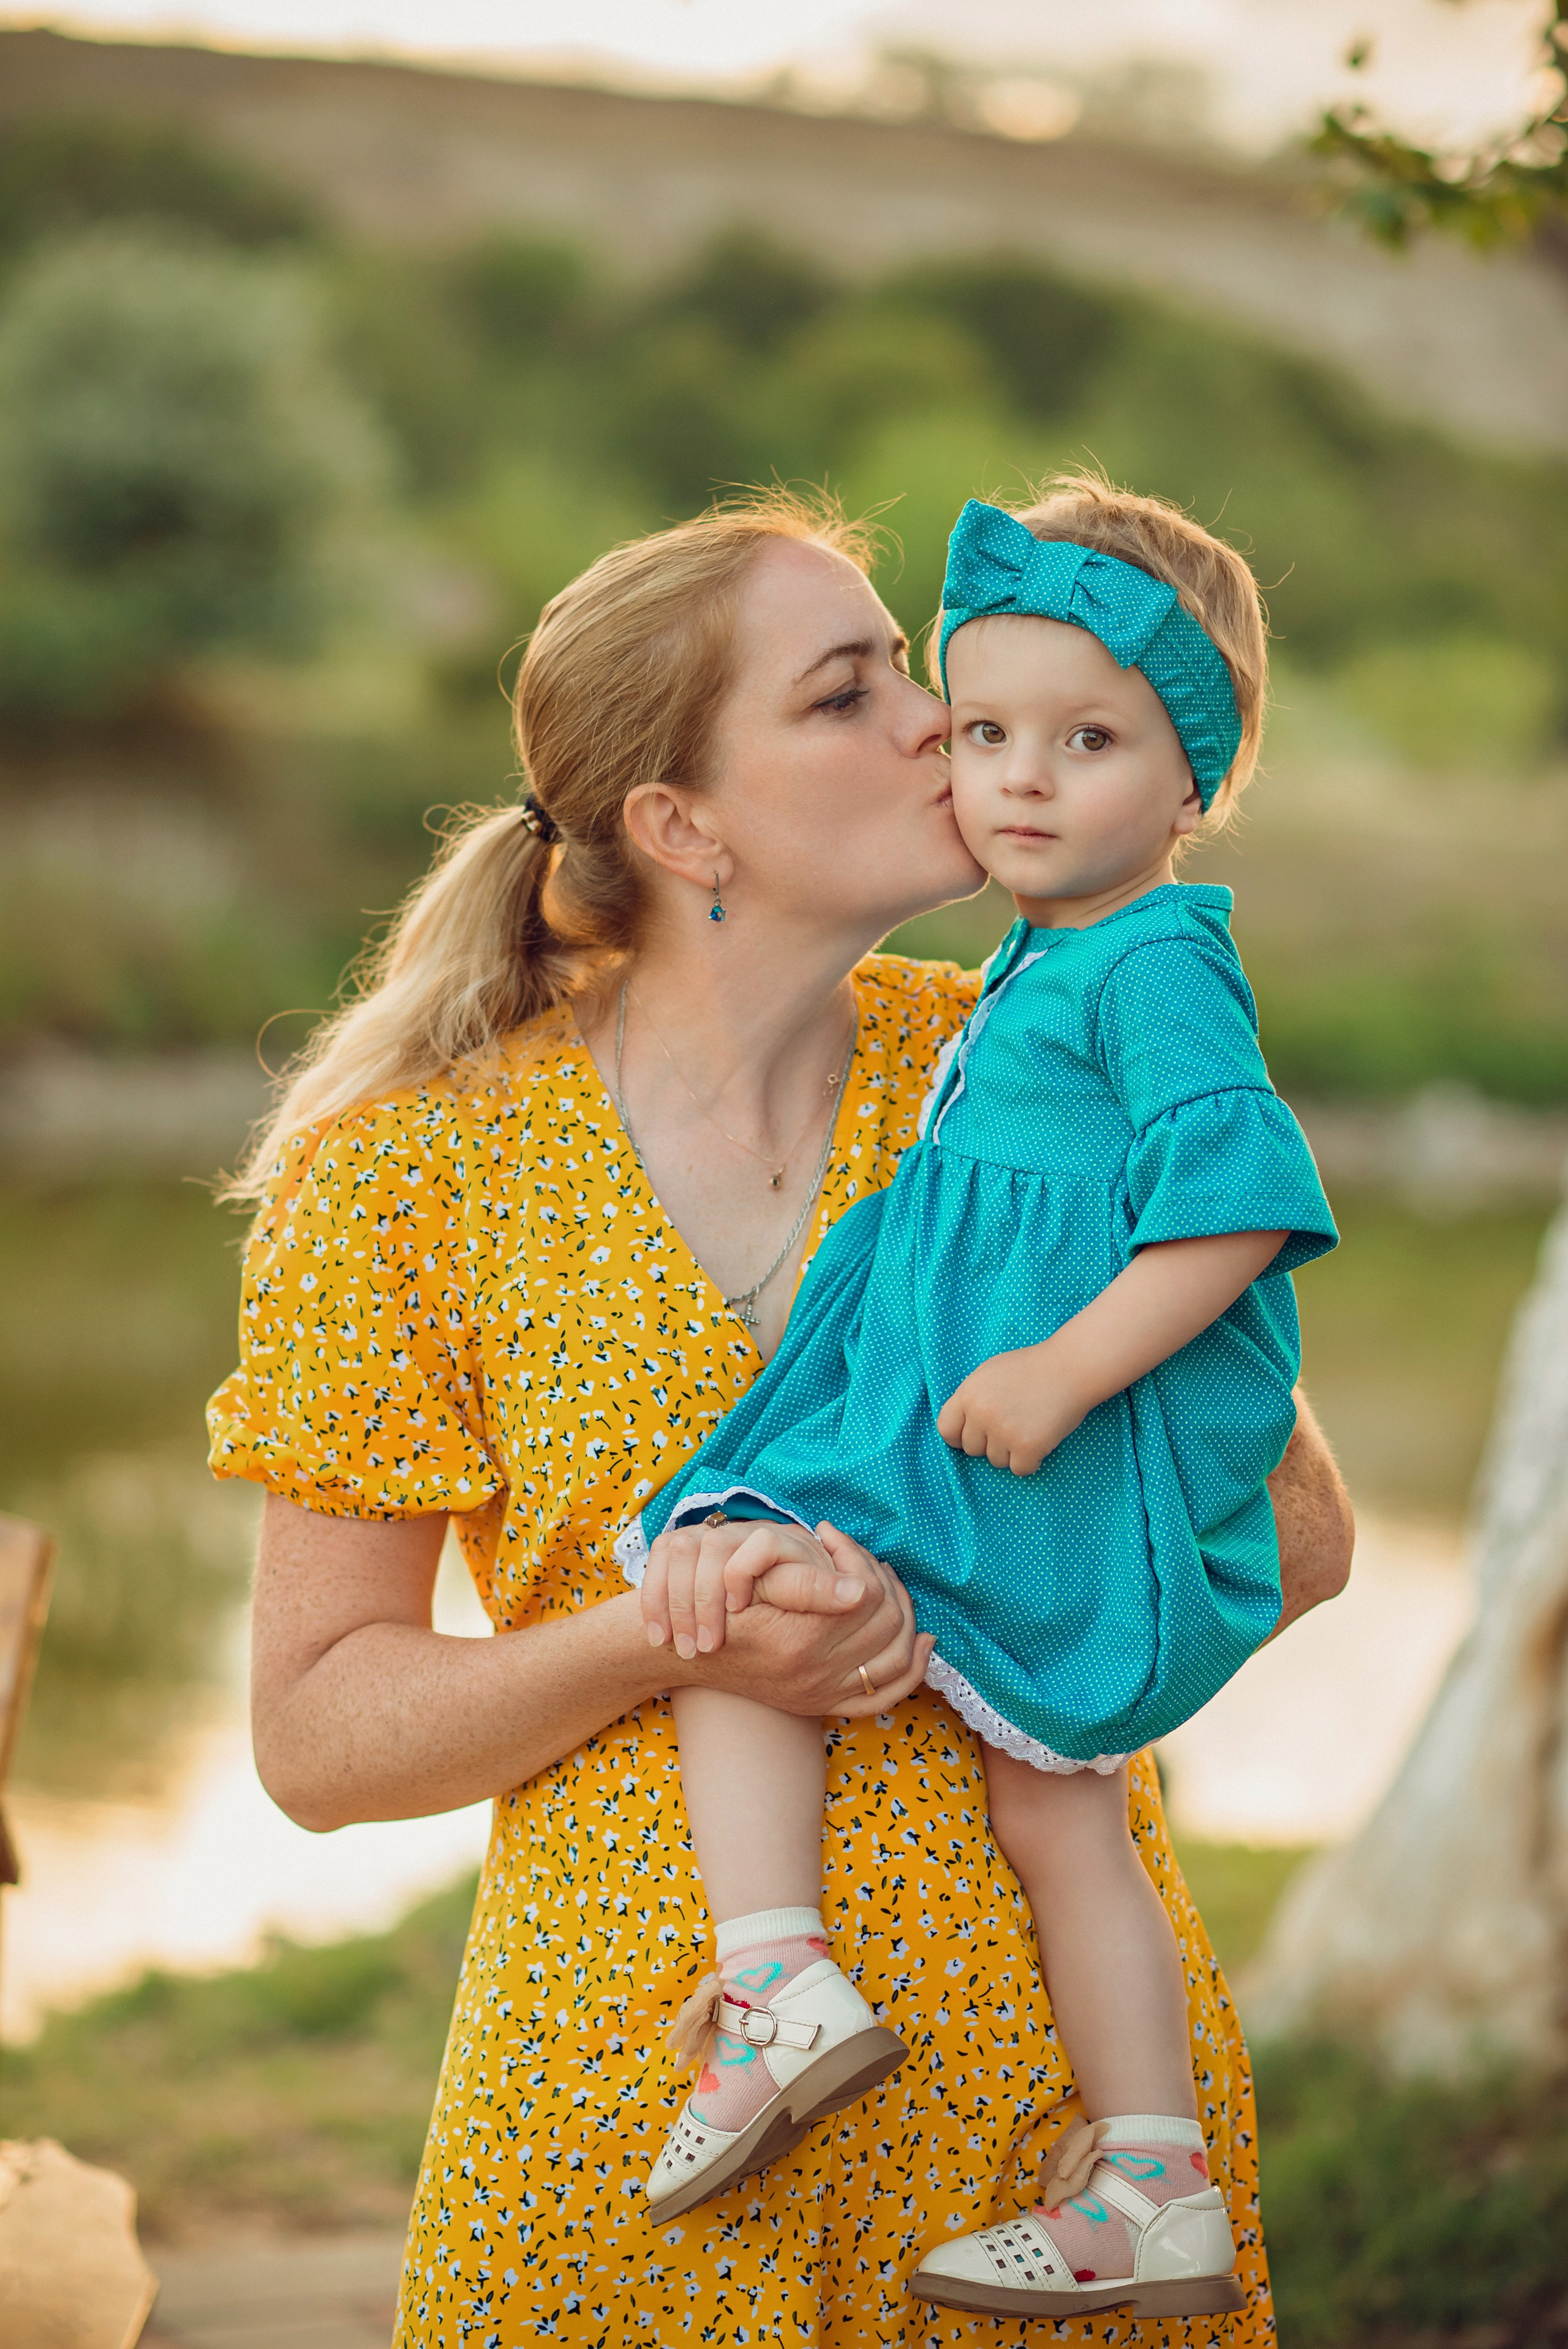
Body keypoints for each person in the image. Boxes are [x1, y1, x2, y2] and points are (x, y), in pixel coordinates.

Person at [210, 486, 1354, 2349]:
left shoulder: (1016, 1057)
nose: (934, 719)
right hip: (624, 2132)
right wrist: (677, 1631)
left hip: (1052, 2142)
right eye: (848, 692)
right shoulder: (407, 1177)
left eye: (910, 664)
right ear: (683, 825)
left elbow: (1300, 1539)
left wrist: (952, 1587)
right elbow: (319, 1738)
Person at [622, 480, 1337, 2322]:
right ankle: (1155, 2180)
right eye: (991, 729)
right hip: (1004, 1423)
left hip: (1046, 1433)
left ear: (1193, 779)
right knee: (1057, 1809)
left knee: (727, 1554)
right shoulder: (1048, 953)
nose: (1015, 778)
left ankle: (777, 1978)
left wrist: (1063, 1369)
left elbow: (1239, 1200)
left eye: (1089, 742)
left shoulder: (1155, 957)